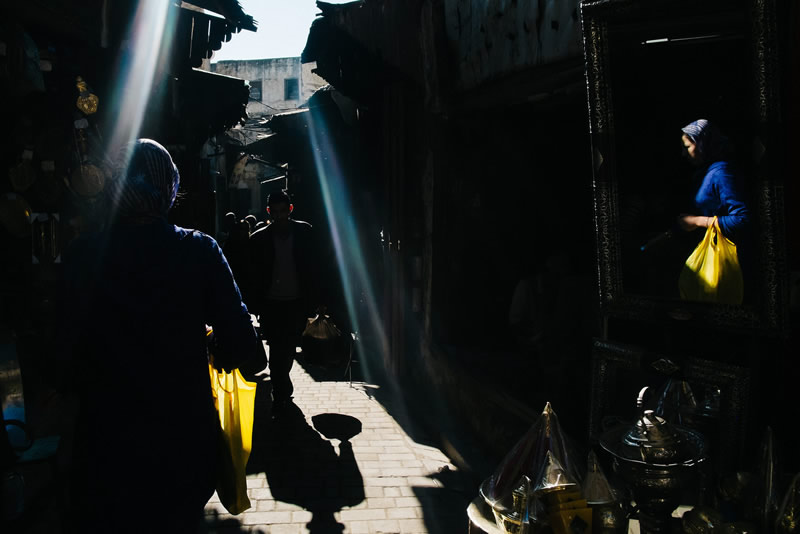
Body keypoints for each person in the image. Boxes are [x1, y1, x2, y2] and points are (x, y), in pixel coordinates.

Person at [56, 139, 266, 532]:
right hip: (181, 449)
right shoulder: (199, 251)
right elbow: (242, 347)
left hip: (104, 450)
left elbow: (63, 362)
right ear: (170, 187)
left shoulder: (82, 255)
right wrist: (212, 347)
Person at [245, 190, 324, 416]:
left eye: (283, 211)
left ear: (290, 210)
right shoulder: (259, 238)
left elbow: (315, 268)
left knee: (287, 348)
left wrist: (318, 299)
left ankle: (281, 386)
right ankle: (280, 391)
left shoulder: (305, 232)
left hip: (296, 302)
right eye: (275, 212)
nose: (279, 216)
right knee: (277, 349)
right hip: (271, 304)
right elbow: (253, 275)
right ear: (269, 211)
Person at [676, 119, 750, 242]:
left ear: (703, 144)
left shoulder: (722, 173)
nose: (684, 154)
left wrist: (697, 221)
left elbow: (742, 219)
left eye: (687, 147)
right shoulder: (704, 172)